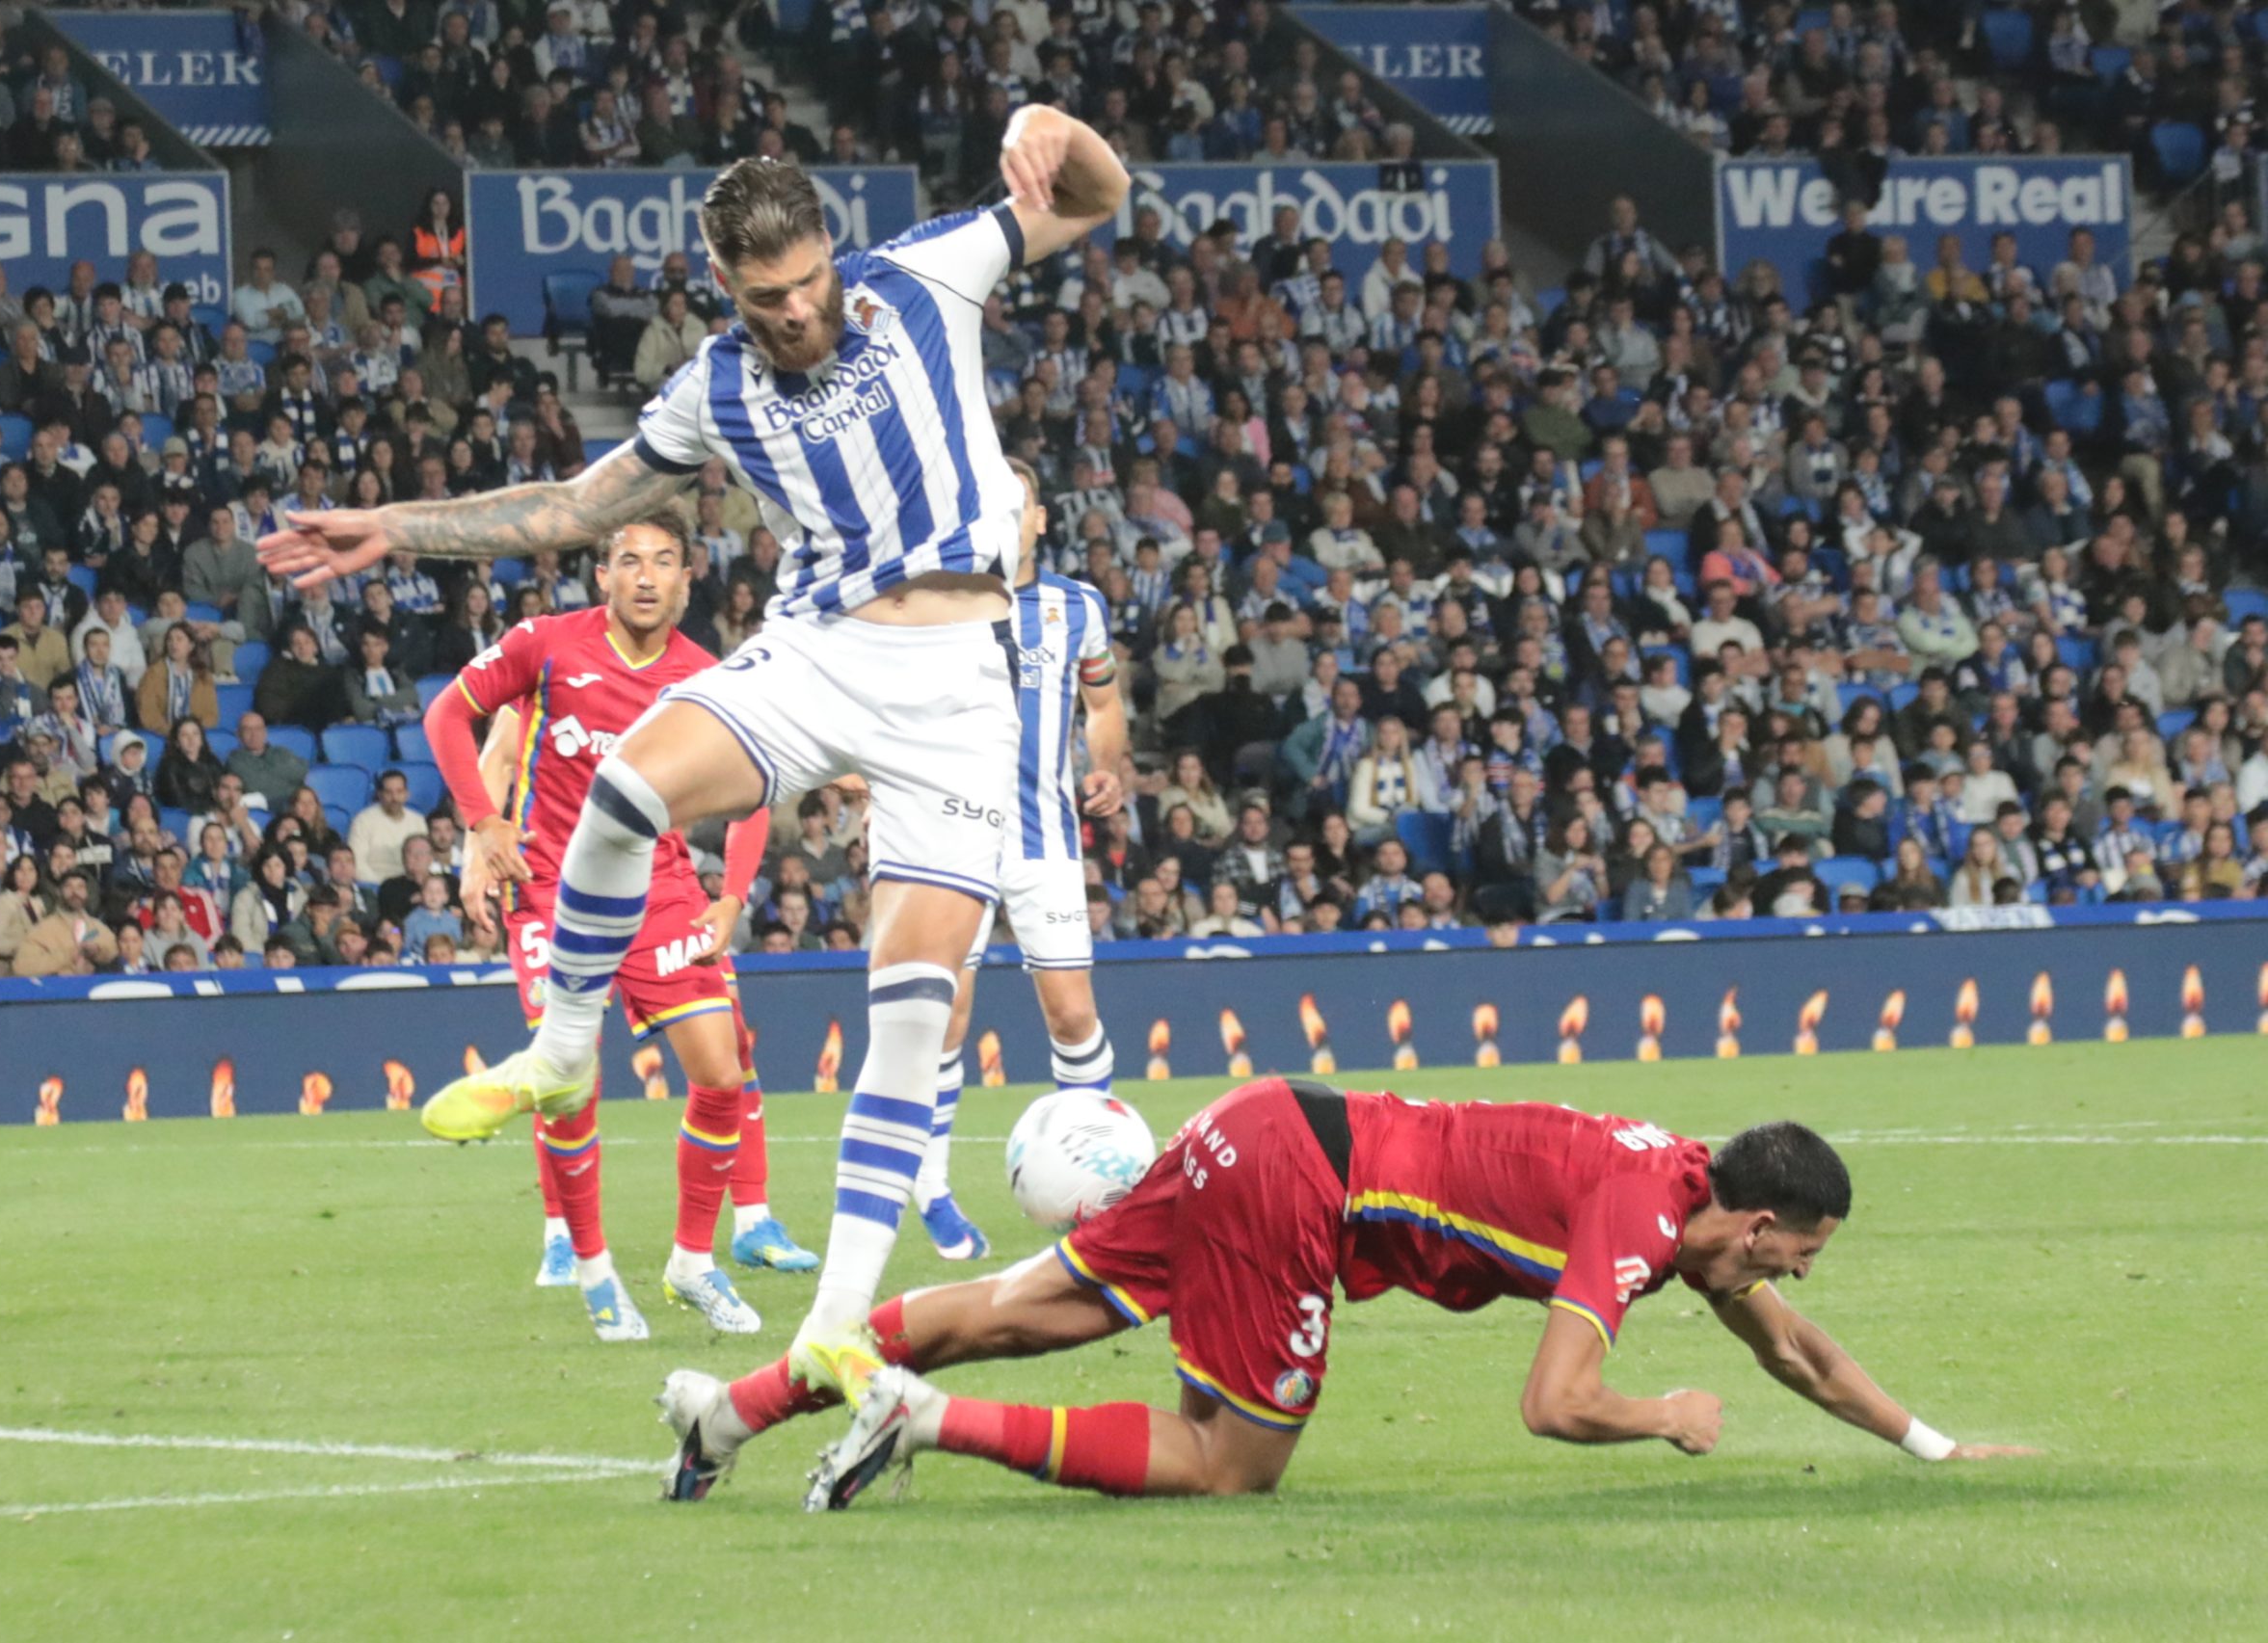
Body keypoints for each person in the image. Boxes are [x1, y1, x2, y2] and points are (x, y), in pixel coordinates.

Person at [261, 114, 1133, 1400]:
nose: (798, 312)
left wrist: (1056, 133)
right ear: (726, 284)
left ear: (834, 253)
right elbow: (568, 507)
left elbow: (1097, 197)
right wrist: (393, 527)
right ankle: (564, 1047)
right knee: (624, 786)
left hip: (959, 685)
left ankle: (836, 1323)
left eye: (809, 282)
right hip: (821, 647)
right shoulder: (712, 388)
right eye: (768, 296)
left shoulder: (927, 273)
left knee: (908, 1018)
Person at [662, 1081, 2034, 1507]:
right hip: (1297, 1189)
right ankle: (926, 1422)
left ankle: (731, 1412)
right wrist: (1658, 1411)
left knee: (1023, 1311)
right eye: (1800, 1250)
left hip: (1258, 1123)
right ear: (1754, 1217)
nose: (1795, 1277)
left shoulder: (1691, 1205)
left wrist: (1931, 1443)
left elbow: (1799, 1357)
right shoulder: (1637, 1220)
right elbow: (1553, 1405)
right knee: (1227, 1465)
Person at [421, 506, 814, 1342]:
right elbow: (445, 718)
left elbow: (757, 789)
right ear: (602, 575)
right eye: (627, 560)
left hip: (661, 892)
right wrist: (482, 826)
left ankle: (691, 1261)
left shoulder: (710, 678)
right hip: (549, 889)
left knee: (720, 1071)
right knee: (572, 1080)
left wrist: (731, 897)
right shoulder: (546, 643)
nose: (643, 575)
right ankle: (594, 1270)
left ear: (687, 575)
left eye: (662, 561)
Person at [924, 462, 1127, 1259]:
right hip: (953, 836)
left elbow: (1103, 702)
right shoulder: (938, 605)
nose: (1005, 520)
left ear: (1040, 519)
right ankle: (932, 1188)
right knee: (948, 1016)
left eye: (1018, 507)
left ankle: (1100, 1183)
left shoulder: (1079, 608)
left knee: (1073, 1013)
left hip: (1045, 835)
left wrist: (1105, 762)